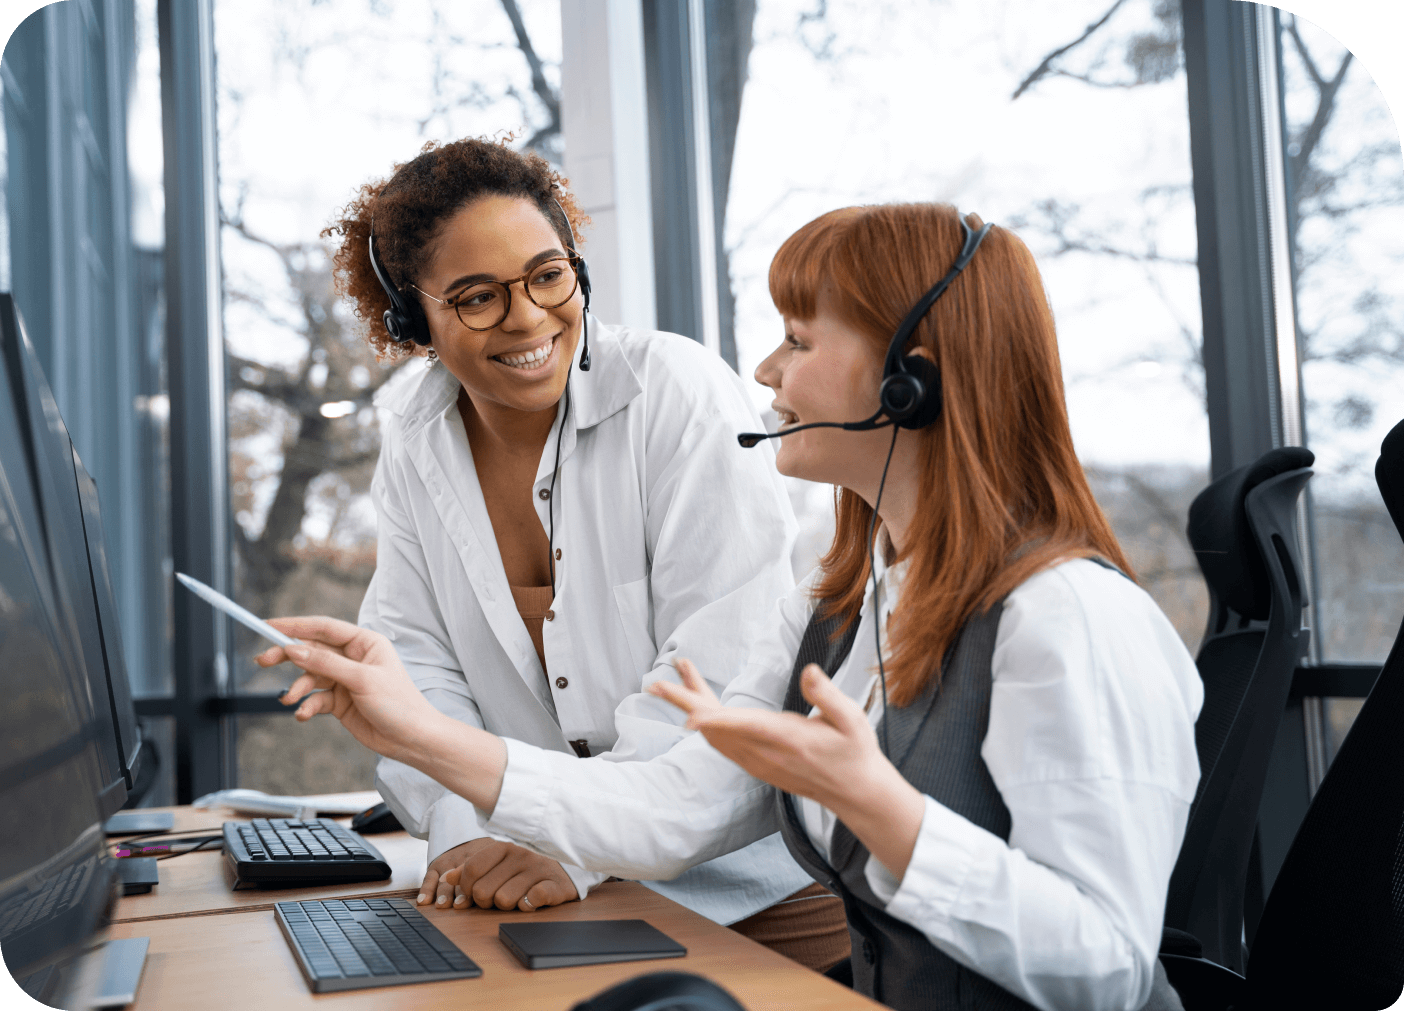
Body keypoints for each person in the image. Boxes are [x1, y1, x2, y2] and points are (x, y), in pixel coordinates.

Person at [271, 203, 1203, 1011]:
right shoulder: (840, 594)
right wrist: (418, 734)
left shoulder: (1067, 619)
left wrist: (889, 815)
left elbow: (1111, 974)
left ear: (906, 381)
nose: (763, 368)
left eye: (798, 340)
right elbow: (676, 806)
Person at [319, 137, 850, 970]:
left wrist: (569, 845)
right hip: (531, 893)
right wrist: (465, 835)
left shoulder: (676, 392)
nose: (528, 317)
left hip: (741, 901)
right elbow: (418, 662)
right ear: (409, 318)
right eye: (476, 297)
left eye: (546, 274)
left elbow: (712, 679)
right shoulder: (416, 440)